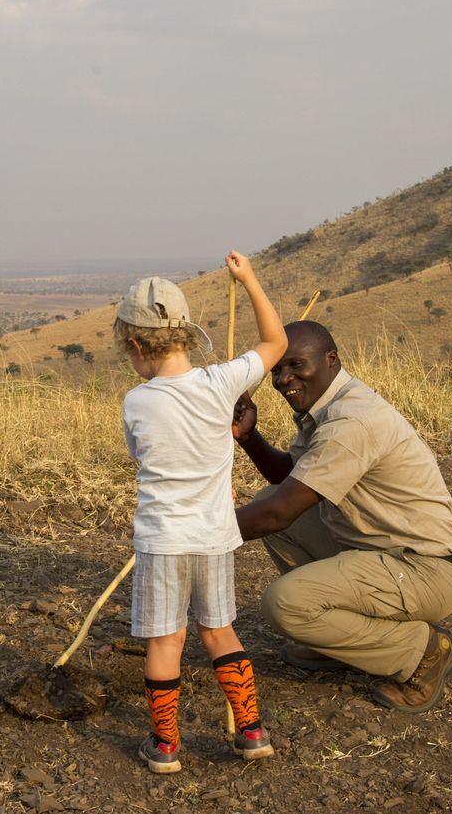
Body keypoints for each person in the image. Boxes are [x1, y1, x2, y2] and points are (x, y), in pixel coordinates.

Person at [232, 321, 452, 714]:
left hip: (421, 569)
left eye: (295, 365)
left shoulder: (350, 421)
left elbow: (278, 515)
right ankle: (342, 640)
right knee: (269, 497)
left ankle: (422, 652)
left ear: (331, 360)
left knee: (285, 603)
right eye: (277, 369)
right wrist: (249, 437)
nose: (283, 379)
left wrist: (196, 530)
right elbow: (287, 480)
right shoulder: (327, 408)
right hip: (377, 553)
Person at [117, 253, 287, 774]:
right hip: (215, 537)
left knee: (166, 641)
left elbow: (140, 455)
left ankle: (166, 746)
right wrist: (249, 280)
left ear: (136, 346)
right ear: (186, 336)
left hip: (163, 541)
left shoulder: (136, 402)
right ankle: (252, 731)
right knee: (220, 633)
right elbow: (275, 342)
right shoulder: (221, 384)